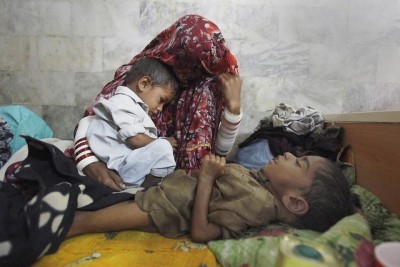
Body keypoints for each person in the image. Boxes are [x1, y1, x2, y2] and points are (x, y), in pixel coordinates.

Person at [73, 14, 242, 191]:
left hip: (179, 179)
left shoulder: (207, 89)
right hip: (123, 162)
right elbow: (91, 120)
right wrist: (88, 161)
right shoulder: (143, 74)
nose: (189, 70)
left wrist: (233, 110)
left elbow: (218, 153)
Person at [67, 152, 355, 243]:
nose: (290, 154)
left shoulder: (258, 206)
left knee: (84, 221)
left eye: (299, 162)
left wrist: (206, 178)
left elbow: (202, 232)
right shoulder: (263, 187)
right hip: (163, 195)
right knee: (94, 200)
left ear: (294, 202)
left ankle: (46, 229)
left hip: (165, 209)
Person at [86, 58, 179, 187]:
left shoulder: (130, 106)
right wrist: (164, 142)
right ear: (144, 84)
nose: (160, 109)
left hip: (125, 165)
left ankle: (153, 185)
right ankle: (149, 189)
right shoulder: (123, 103)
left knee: (162, 150)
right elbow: (135, 139)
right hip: (120, 168)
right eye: (161, 100)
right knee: (163, 148)